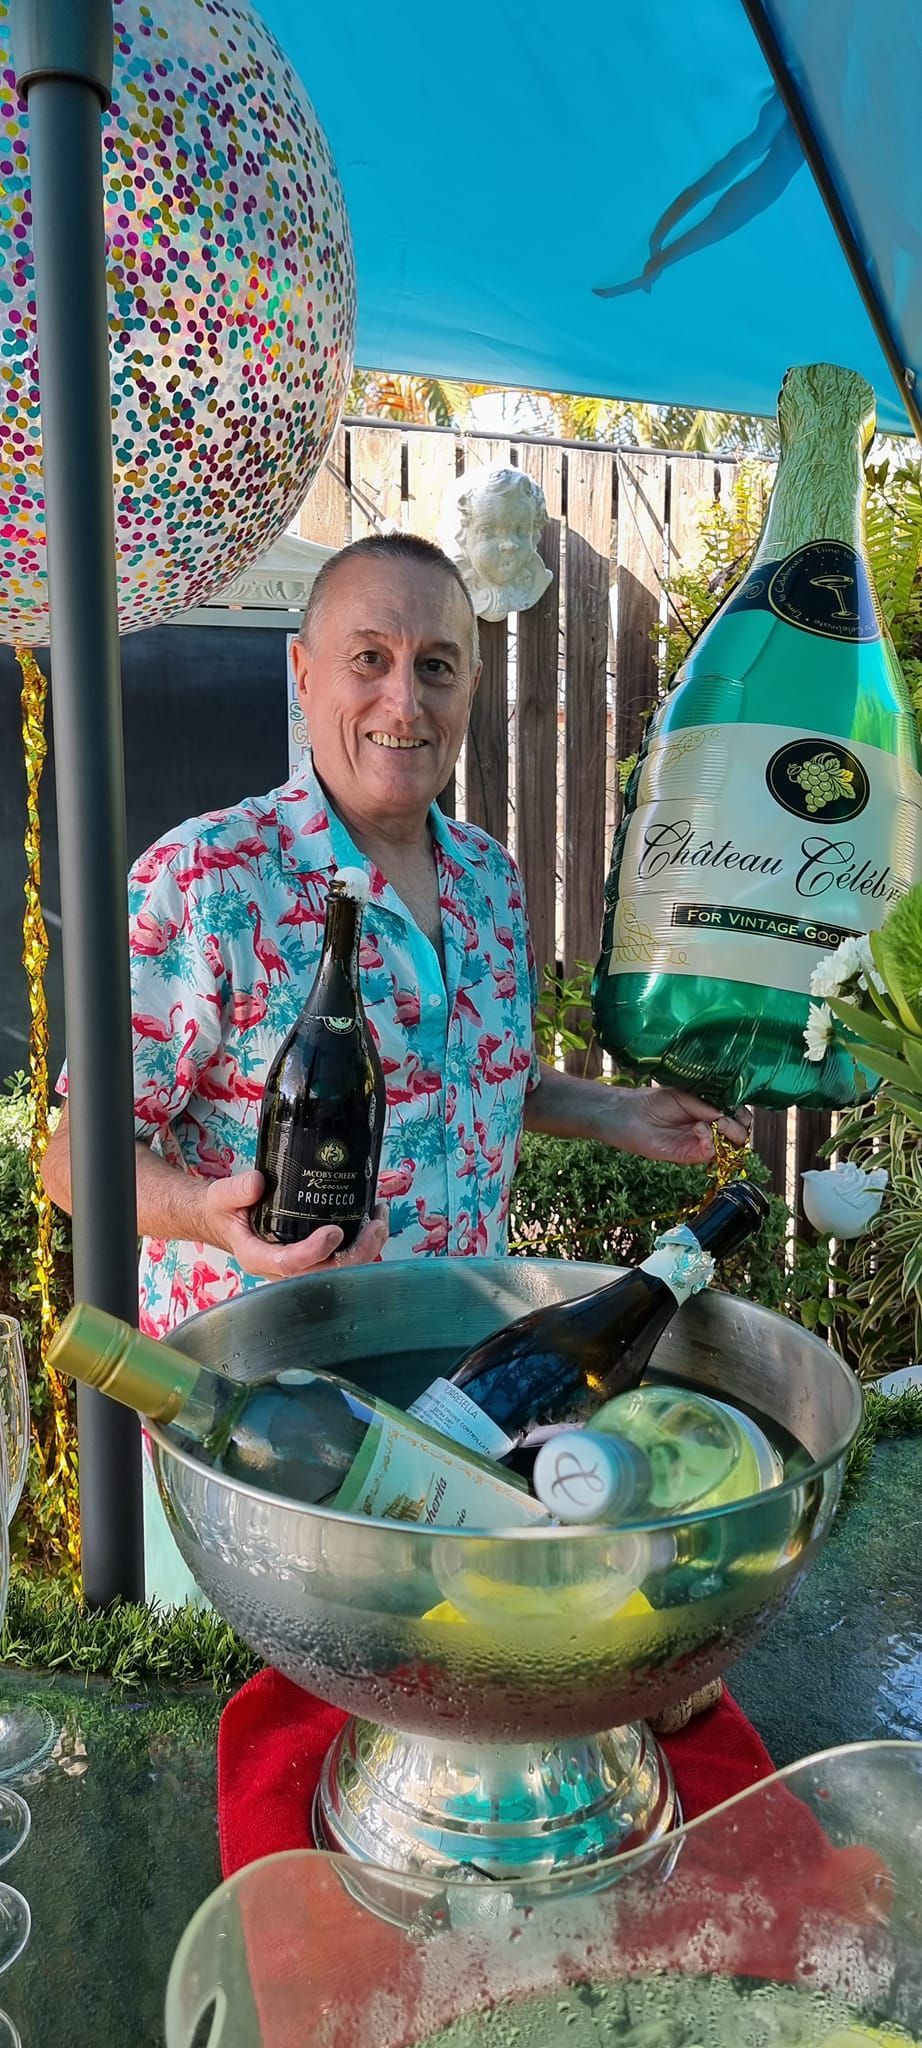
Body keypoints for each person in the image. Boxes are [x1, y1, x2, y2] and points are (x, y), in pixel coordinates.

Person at [42, 532, 750, 1600]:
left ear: (468, 685)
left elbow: (475, 1085)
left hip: (469, 1404)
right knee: (249, 1733)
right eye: (368, 657)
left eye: (435, 664)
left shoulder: (488, 879)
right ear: (302, 670)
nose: (403, 702)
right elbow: (70, 1158)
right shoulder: (207, 877)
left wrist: (619, 1113)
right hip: (260, 1423)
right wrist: (201, 1210)